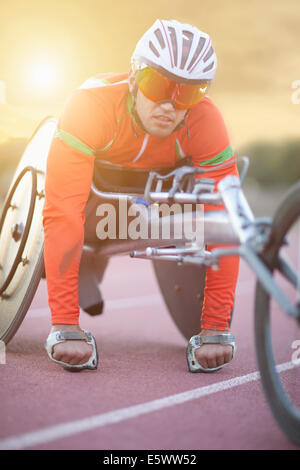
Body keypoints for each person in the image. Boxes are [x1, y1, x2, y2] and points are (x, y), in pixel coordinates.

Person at [43, 19, 240, 372]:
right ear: (134, 79)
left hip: (152, 206)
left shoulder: (205, 120)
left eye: (188, 92)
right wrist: (64, 325)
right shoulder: (91, 105)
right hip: (90, 205)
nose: (170, 104)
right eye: (158, 84)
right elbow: (62, 211)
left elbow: (226, 221)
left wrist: (215, 327)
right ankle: (85, 268)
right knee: (68, 214)